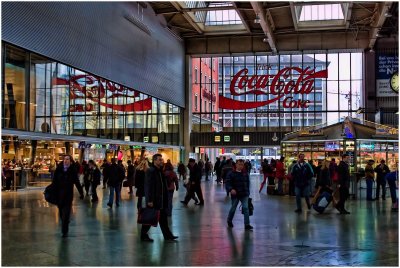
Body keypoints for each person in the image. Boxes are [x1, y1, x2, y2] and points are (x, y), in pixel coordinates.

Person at [141, 154, 178, 242]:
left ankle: (168, 235)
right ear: (155, 161)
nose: (162, 161)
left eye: (162, 159)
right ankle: (143, 235)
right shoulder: (151, 171)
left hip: (161, 200)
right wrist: (150, 200)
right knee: (150, 218)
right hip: (154, 200)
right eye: (160, 160)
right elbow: (148, 186)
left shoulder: (160, 171)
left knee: (163, 219)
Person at [52, 155, 84, 237]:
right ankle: (64, 222)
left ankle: (64, 230)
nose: (66, 161)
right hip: (59, 195)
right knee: (61, 213)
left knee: (66, 213)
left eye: (67, 159)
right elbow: (54, 181)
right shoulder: (59, 169)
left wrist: (81, 193)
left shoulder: (73, 170)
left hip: (68, 196)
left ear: (70, 161)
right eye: (65, 159)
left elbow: (77, 182)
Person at [225, 159, 253, 230]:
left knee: (246, 208)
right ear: (236, 164)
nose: (241, 166)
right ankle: (229, 220)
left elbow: (248, 183)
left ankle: (247, 224)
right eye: (239, 164)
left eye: (242, 165)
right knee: (233, 208)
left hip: (244, 194)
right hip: (236, 194)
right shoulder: (231, 173)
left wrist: (248, 192)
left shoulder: (245, 173)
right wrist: (231, 189)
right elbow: (227, 183)